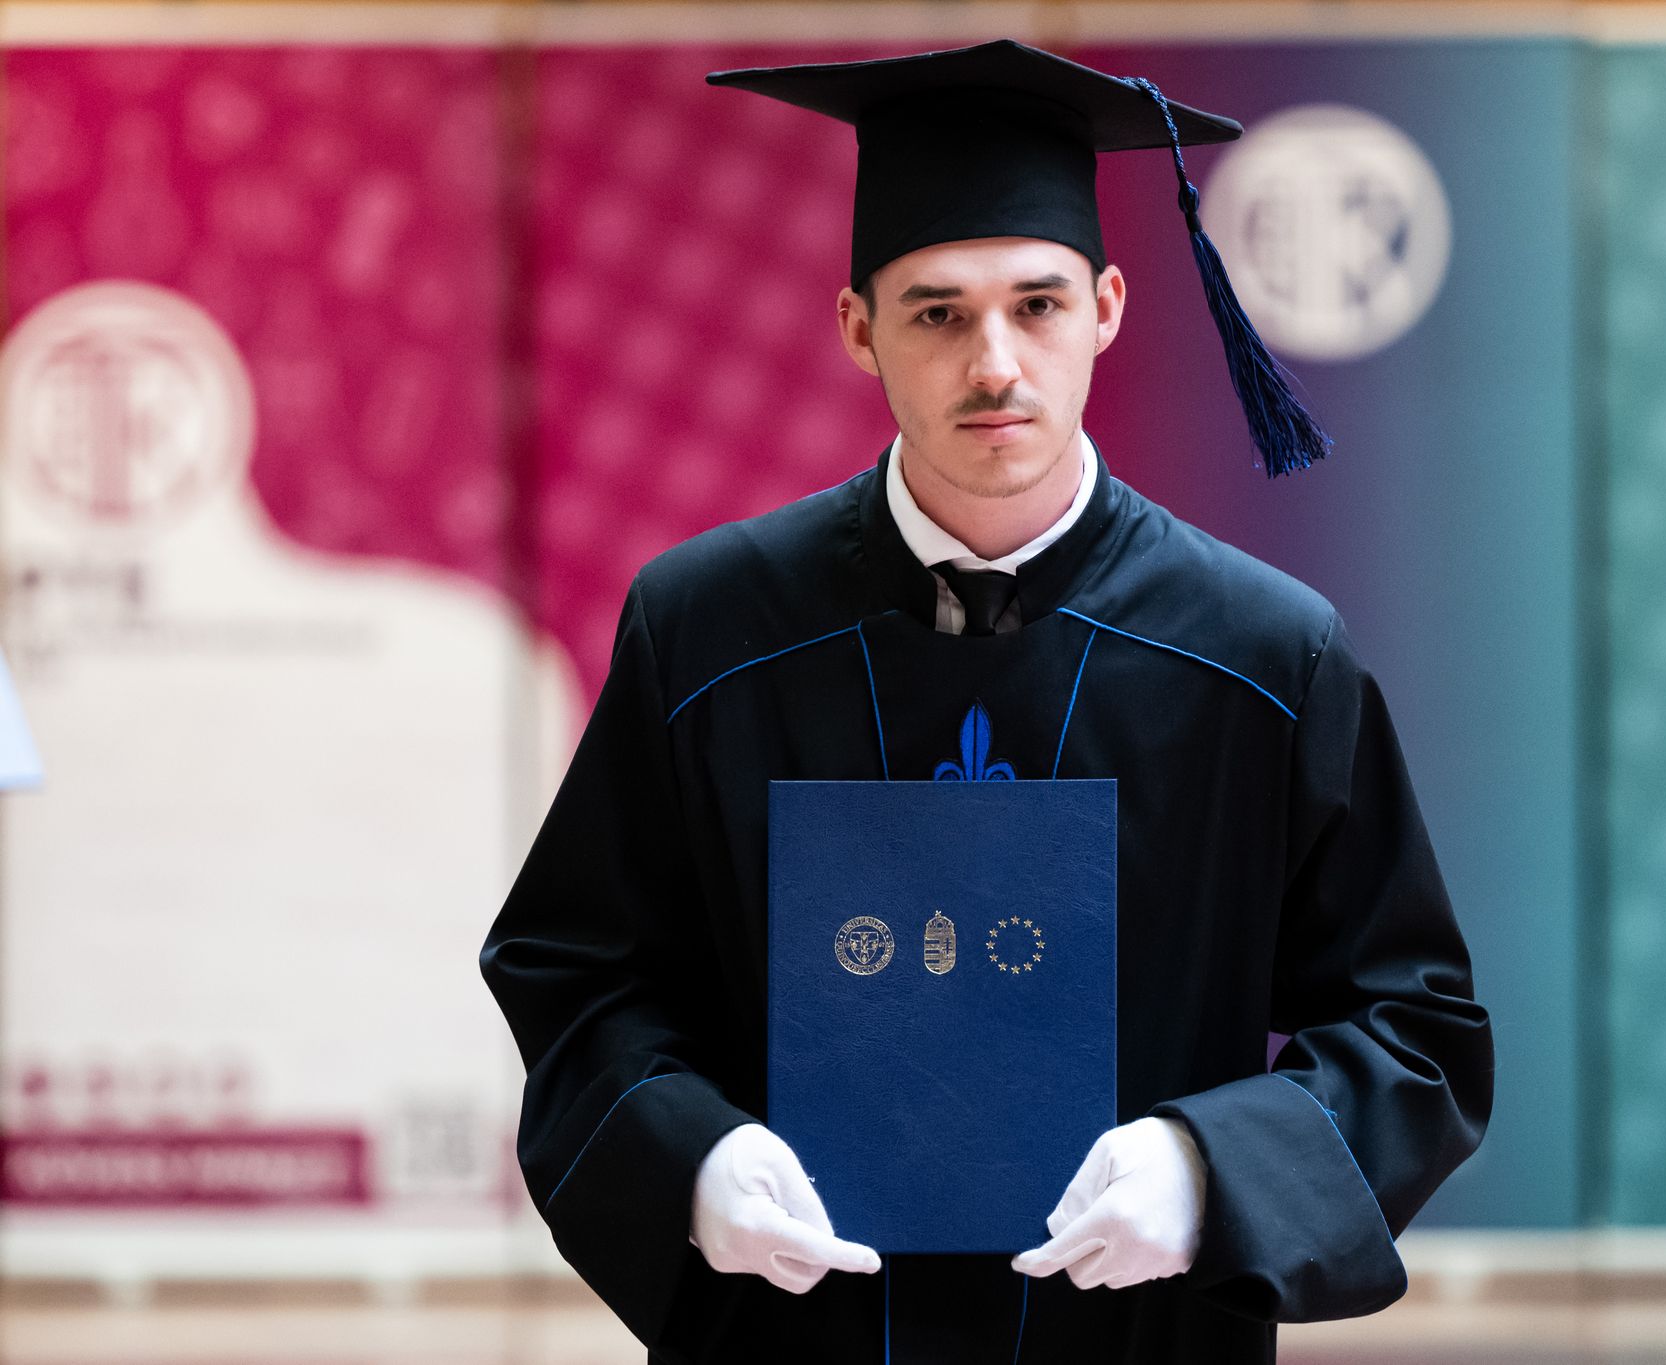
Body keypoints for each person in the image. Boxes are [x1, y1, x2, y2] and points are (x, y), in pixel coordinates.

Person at [480, 39, 1493, 1365]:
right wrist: (694, 1158)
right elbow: (578, 968)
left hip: (1137, 1340)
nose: (996, 363)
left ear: (1108, 308)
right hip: (792, 1338)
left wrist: (1206, 1166)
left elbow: (1414, 1031)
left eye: (1038, 304)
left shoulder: (1264, 657)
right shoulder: (711, 629)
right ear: (859, 328)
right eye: (937, 313)